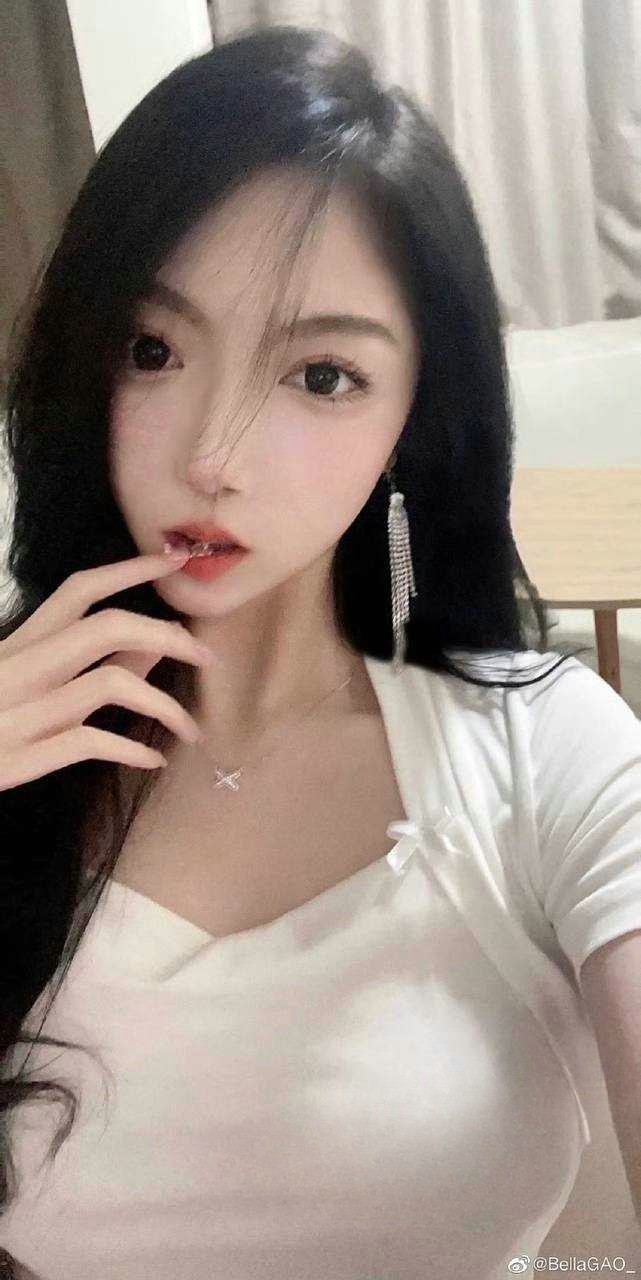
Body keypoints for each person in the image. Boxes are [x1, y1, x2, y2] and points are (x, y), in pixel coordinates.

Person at [0, 23, 639, 1280]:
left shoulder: (537, 754)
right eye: (152, 349)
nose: (213, 455)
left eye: (323, 374)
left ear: (414, 415)